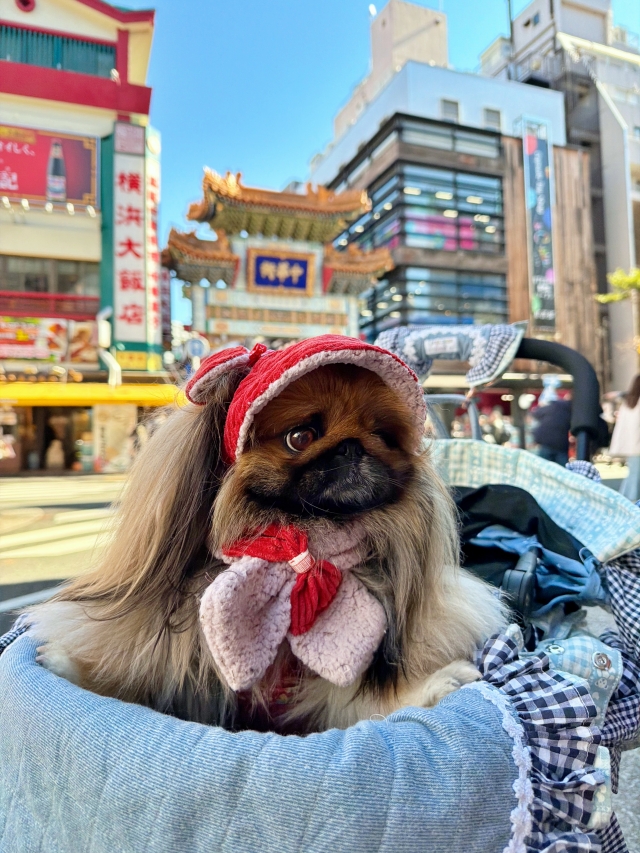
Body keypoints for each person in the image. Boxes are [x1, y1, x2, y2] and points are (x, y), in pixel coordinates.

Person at [609, 374, 640, 502]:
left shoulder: (629, 402)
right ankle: (630, 501)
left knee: (633, 475)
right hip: (637, 446)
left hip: (631, 446)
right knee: (635, 477)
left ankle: (625, 500)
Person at [531, 393, 572, 465]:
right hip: (561, 445)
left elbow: (536, 413)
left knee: (542, 466)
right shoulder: (571, 411)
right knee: (562, 469)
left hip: (546, 442)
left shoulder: (553, 406)